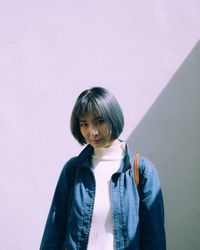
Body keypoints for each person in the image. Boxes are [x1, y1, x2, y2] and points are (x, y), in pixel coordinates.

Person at [40, 87, 166, 250]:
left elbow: (154, 238)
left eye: (99, 121)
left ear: (113, 117)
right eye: (84, 124)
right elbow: (54, 232)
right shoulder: (73, 170)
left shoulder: (142, 170)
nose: (92, 132)